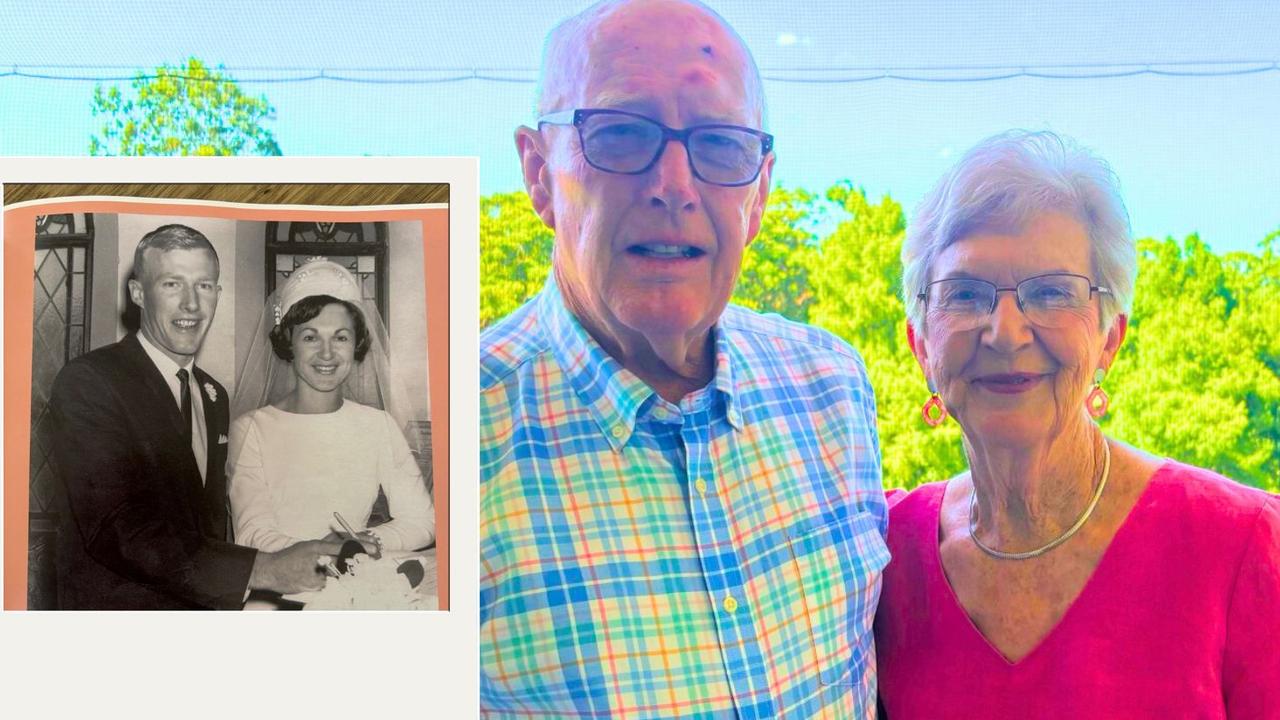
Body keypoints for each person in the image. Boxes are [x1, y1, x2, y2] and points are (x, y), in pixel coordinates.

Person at [480, 1, 887, 716]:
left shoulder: (833, 388)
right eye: (622, 133)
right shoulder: (444, 443)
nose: (673, 184)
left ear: (758, 194)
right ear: (540, 173)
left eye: (721, 145)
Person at [875, 130, 1280, 717]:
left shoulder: (1245, 546)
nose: (1006, 333)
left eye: (1050, 293)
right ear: (922, 347)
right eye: (964, 293)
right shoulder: (882, 553)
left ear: (1108, 340)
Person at [50, 224, 343, 610]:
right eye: (172, 284)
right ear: (138, 293)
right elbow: (118, 529)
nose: (191, 304)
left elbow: (206, 524)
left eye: (204, 286)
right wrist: (262, 570)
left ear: (217, 294)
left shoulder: (213, 394)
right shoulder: (90, 381)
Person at [228, 258, 434, 554]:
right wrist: (324, 551)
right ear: (289, 342)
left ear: (356, 344)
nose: (327, 353)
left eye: (340, 337)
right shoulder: (251, 430)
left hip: (356, 580)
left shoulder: (378, 425)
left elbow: (422, 520)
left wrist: (358, 544)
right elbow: (252, 532)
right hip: (278, 589)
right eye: (310, 337)